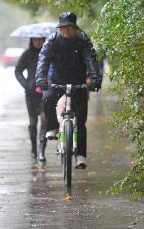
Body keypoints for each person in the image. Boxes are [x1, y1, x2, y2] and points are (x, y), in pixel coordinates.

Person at [35, 12, 102, 169]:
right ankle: (53, 127)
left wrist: (95, 79)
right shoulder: (52, 41)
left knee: (81, 120)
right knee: (47, 98)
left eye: (69, 27)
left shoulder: (83, 39)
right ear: (59, 28)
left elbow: (91, 60)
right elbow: (43, 59)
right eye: (62, 27)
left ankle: (80, 155)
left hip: (77, 81)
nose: (65, 30)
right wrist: (41, 79)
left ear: (74, 28)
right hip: (56, 79)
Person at [15, 37, 47, 163]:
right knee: (33, 122)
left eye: (40, 39)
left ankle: (42, 151)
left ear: (44, 40)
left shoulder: (48, 52)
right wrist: (26, 84)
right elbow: (17, 71)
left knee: (45, 120)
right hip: (31, 94)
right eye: (35, 40)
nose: (38, 42)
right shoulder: (27, 54)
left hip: (45, 92)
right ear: (32, 40)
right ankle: (34, 150)